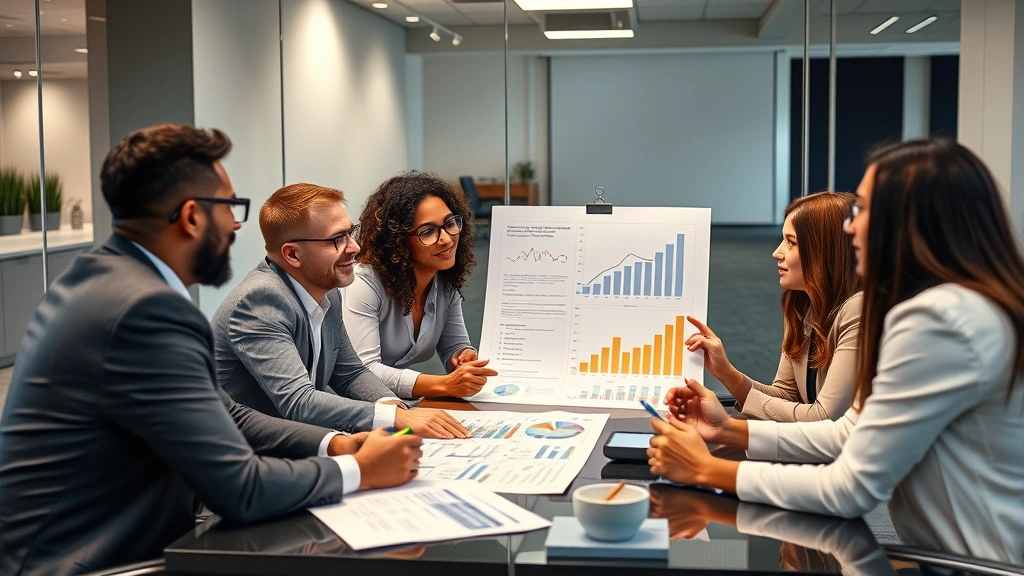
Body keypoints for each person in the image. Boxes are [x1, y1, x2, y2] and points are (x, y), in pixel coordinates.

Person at [0, 125, 422, 576]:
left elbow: (228, 413)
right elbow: (240, 489)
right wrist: (360, 471)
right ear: (191, 217)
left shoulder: (108, 280)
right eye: (231, 207)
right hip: (93, 563)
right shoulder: (143, 310)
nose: (237, 225)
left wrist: (335, 444)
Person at [648, 139, 1024, 565]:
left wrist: (706, 470)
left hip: (977, 565)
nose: (849, 227)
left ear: (909, 224)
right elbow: (850, 432)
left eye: (862, 210)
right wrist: (728, 431)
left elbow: (850, 486)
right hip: (953, 556)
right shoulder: (958, 307)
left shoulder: (938, 321)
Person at [214, 182, 469, 438]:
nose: (355, 248)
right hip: (239, 451)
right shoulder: (260, 301)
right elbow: (298, 401)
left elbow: (350, 373)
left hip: (292, 440)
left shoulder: (328, 291)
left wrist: (397, 409)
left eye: (350, 232)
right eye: (337, 239)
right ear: (292, 255)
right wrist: (398, 418)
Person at [680, 191, 861, 422]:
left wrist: (728, 429)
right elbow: (786, 396)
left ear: (825, 252)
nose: (777, 252)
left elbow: (825, 418)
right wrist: (724, 371)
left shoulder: (859, 311)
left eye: (791, 242)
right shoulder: (804, 304)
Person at [342, 172, 497, 399]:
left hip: (395, 402)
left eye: (449, 223)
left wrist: (464, 358)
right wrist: (443, 384)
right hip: (346, 406)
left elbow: (455, 346)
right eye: (428, 231)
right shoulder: (364, 282)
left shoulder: (443, 279)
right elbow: (364, 371)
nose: (446, 238)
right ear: (397, 241)